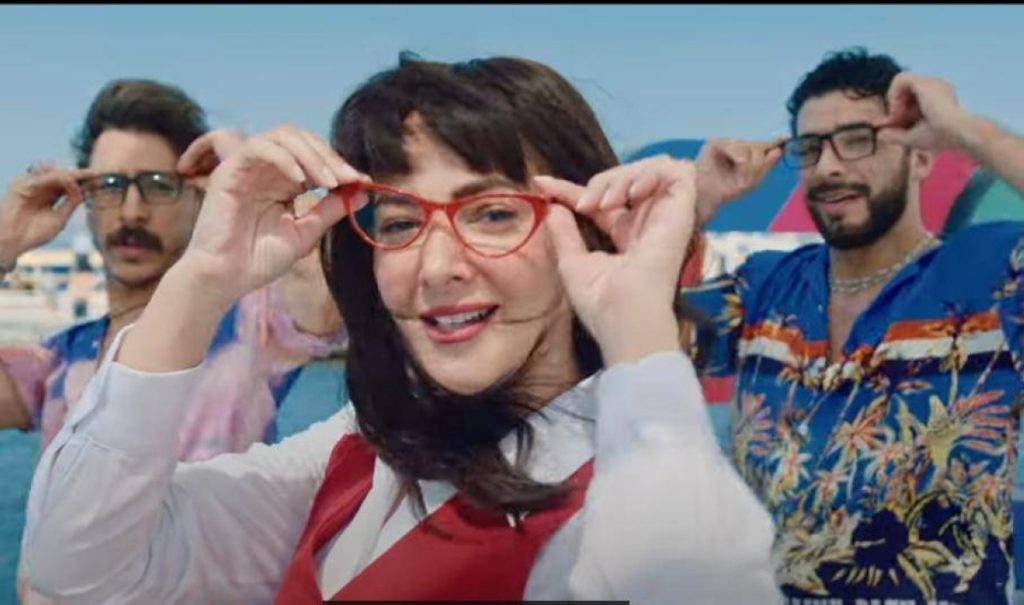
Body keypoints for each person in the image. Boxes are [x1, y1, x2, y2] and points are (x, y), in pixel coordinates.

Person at [21, 55, 780, 604]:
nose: (435, 266)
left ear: (587, 229)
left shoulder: (616, 501)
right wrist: (204, 277)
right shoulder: (362, 452)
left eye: (493, 214)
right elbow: (80, 571)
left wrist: (639, 331)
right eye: (398, 221)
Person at [677, 47, 1024, 604]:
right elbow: (619, 333)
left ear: (921, 157)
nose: (829, 167)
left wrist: (964, 128)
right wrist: (694, 203)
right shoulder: (764, 288)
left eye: (858, 140)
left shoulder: (988, 276)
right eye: (811, 148)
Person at [0, 78, 346, 462]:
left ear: (199, 195)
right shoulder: (61, 361)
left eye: (158, 185)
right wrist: (5, 240)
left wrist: (256, 184)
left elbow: (331, 288)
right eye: (109, 185)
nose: (132, 211)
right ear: (87, 200)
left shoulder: (252, 329)